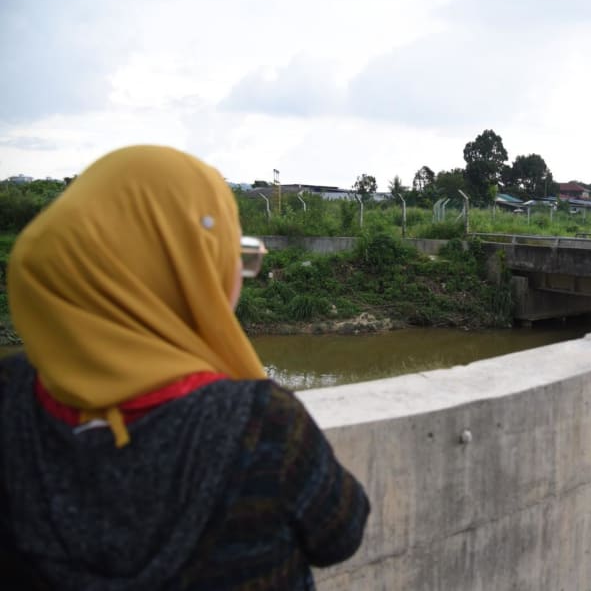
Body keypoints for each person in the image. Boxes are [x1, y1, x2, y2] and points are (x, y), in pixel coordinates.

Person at [0, 145, 369, 590]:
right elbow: (340, 535)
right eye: (227, 255)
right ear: (193, 273)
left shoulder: (11, 397)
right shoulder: (264, 426)